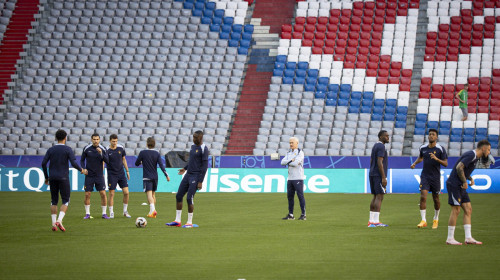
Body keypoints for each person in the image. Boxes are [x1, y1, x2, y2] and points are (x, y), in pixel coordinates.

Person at [445, 139, 491, 245]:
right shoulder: (471, 155)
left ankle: (468, 238)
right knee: (456, 210)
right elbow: (459, 167)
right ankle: (450, 238)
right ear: (483, 148)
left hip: (461, 185)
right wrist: (465, 181)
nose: (489, 152)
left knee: (468, 209)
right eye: (488, 150)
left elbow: (464, 169)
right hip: (454, 184)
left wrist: (470, 178)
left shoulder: (475, 158)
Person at [42, 129, 84, 232]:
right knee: (66, 200)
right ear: (65, 138)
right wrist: (81, 170)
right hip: (63, 177)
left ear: (56, 138)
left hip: (53, 178)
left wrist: (46, 177)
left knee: (54, 201)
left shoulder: (51, 150)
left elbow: (43, 163)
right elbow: (73, 163)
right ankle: (59, 220)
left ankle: (53, 224)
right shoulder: (68, 149)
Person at [166, 131, 209, 228]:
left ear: (201, 138)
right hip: (188, 174)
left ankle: (189, 222)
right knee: (178, 196)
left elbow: (205, 166)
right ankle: (177, 221)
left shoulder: (204, 149)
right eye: (193, 137)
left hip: (196, 176)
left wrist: (200, 181)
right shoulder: (193, 147)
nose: (193, 139)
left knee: (189, 198)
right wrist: (185, 168)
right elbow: (192, 161)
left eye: (195, 138)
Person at [411, 129, 448, 229]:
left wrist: (436, 159)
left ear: (436, 137)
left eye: (433, 134)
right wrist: (415, 163)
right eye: (430, 134)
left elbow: (445, 163)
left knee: (436, 199)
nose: (431, 136)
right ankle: (423, 220)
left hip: (435, 177)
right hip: (425, 176)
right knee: (423, 196)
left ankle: (436, 219)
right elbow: (421, 157)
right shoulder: (423, 148)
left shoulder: (440, 149)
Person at [135, 137, 170, 218]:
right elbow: (161, 165)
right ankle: (152, 212)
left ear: (147, 144)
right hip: (155, 177)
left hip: (147, 177)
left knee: (149, 195)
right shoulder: (157, 153)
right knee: (153, 194)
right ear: (154, 144)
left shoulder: (143, 153)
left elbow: (136, 163)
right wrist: (166, 175)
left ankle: (153, 210)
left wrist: (141, 162)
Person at [81, 133, 110, 219]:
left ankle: (104, 213)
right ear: (91, 139)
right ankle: (87, 214)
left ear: (99, 140)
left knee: (103, 194)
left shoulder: (103, 149)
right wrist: (83, 168)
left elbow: (107, 160)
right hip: (89, 175)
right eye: (94, 139)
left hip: (99, 175)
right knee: (87, 194)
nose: (96, 141)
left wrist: (101, 153)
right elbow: (82, 160)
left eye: (97, 139)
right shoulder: (86, 149)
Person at [368, 130, 390, 227]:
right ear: (380, 137)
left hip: (372, 173)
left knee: (375, 196)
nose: (388, 137)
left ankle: (371, 221)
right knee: (380, 196)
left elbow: (372, 160)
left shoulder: (375, 146)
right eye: (386, 136)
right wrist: (383, 177)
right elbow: (379, 162)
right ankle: (376, 221)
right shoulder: (381, 146)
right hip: (378, 175)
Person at [281, 137, 306, 220]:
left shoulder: (300, 153)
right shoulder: (288, 153)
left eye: (292, 142)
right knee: (290, 197)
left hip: (298, 178)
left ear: (297, 143)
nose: (291, 144)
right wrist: (291, 160)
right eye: (290, 143)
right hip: (290, 178)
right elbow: (282, 162)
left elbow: (295, 164)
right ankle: (291, 215)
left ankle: (303, 214)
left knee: (300, 196)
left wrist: (288, 162)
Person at [106, 134, 131, 218]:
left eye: (116, 141)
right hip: (112, 174)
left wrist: (127, 171)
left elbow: (124, 159)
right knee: (112, 193)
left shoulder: (120, 148)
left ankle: (125, 211)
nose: (115, 143)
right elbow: (103, 162)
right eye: (113, 141)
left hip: (121, 173)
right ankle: (111, 212)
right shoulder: (107, 150)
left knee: (126, 192)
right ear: (110, 141)